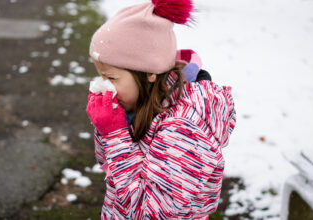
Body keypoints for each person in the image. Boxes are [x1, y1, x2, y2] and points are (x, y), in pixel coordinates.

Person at [86, 0, 236, 219]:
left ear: (149, 72)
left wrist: (115, 135)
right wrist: (106, 128)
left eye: (111, 77)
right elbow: (108, 165)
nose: (104, 85)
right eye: (101, 76)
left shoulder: (183, 130)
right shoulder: (139, 103)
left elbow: (150, 213)